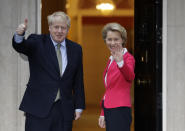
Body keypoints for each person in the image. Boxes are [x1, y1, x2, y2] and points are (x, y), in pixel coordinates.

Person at [12, 11, 85, 131]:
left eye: (63, 28)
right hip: (38, 108)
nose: (59, 31)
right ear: (50, 27)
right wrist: (19, 35)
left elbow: (78, 79)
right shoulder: (37, 41)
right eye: (56, 27)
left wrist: (79, 106)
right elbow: (21, 46)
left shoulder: (76, 49)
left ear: (68, 29)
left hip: (64, 110)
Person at [98, 23, 135, 131]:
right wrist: (102, 113)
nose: (112, 42)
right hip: (109, 108)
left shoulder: (128, 58)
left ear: (122, 40)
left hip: (120, 109)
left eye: (116, 39)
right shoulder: (111, 59)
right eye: (109, 39)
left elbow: (130, 76)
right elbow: (109, 90)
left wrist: (121, 62)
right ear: (105, 40)